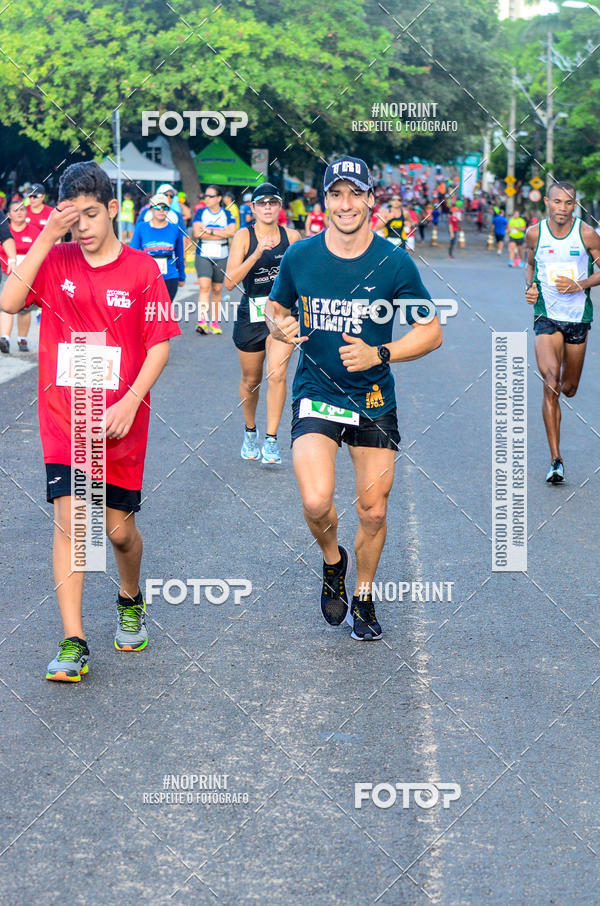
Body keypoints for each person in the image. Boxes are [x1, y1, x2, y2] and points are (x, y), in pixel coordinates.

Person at [0, 161, 180, 681]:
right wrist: (46, 238)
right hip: (65, 417)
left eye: (92, 214)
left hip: (119, 420)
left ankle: (129, 597)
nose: (83, 226)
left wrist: (130, 401)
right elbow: (10, 301)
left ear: (112, 210)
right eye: (73, 216)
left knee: (119, 533)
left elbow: (160, 345)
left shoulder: (143, 270)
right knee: (73, 522)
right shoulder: (54, 260)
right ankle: (74, 640)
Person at [265, 156, 442, 641]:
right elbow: (274, 307)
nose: (345, 204)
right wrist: (279, 324)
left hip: (373, 399)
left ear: (370, 200)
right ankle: (332, 561)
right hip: (316, 393)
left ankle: (363, 594)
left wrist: (381, 351)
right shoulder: (300, 256)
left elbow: (431, 331)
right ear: (325, 201)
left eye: (355, 194)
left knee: (374, 510)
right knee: (317, 500)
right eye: (336, 194)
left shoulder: (394, 261)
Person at [525, 181, 600, 483]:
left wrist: (580, 285)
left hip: (577, 318)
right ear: (547, 202)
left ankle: (566, 384)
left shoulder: (586, 234)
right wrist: (529, 287)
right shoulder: (534, 233)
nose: (562, 208)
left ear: (575, 205)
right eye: (557, 202)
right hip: (546, 316)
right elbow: (529, 265)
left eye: (568, 203)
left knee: (568, 387)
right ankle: (556, 459)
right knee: (550, 381)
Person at [226, 183, 301, 464]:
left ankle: (271, 440)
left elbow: (304, 276)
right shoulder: (243, 237)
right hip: (252, 315)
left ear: (279, 207)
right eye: (262, 203)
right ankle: (250, 431)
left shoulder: (292, 236)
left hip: (282, 315)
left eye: (272, 203)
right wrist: (257, 253)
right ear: (253, 208)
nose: (267, 208)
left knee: (277, 375)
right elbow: (230, 281)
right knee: (251, 380)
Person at [192, 185, 236, 335]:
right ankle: (202, 321)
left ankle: (214, 322)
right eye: (206, 196)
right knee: (205, 287)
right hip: (203, 254)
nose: (207, 198)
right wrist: (221, 233)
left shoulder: (227, 214)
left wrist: (209, 230)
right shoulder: (200, 213)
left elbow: (232, 232)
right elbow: (197, 233)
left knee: (217, 289)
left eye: (211, 196)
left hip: (222, 255)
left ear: (219, 198)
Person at [0, 197, 41, 352]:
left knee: (24, 308)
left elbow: (41, 251)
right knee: (5, 305)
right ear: (9, 214)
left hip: (27, 275)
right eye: (15, 210)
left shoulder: (34, 231)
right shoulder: (4, 229)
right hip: (7, 273)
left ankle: (22, 339)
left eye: (22, 209)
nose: (19, 213)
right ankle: (5, 338)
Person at [129, 192, 186, 301]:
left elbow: (179, 255)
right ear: (151, 209)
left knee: (164, 312)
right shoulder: (141, 227)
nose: (161, 210)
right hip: (146, 277)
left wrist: (182, 276)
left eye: (165, 207)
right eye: (157, 207)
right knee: (148, 311)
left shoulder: (175, 229)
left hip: (169, 276)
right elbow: (133, 252)